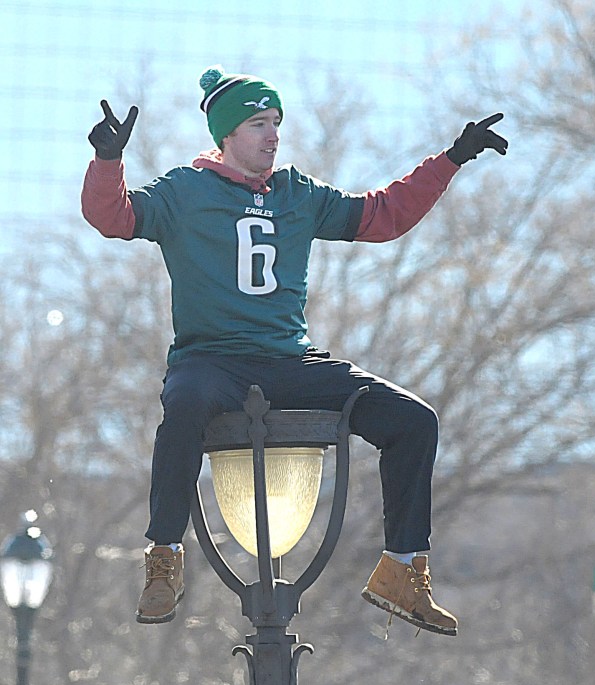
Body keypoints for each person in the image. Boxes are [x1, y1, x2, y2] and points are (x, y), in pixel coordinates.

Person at [81, 65, 507, 634]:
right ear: (226, 135)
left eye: (276, 121)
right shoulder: (185, 190)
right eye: (259, 123)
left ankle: (402, 569)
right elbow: (112, 217)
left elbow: (382, 217)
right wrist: (107, 163)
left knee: (413, 420)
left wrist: (451, 159)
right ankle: (164, 559)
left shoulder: (297, 193)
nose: (273, 134)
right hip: (213, 361)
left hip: (290, 362)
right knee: (183, 406)